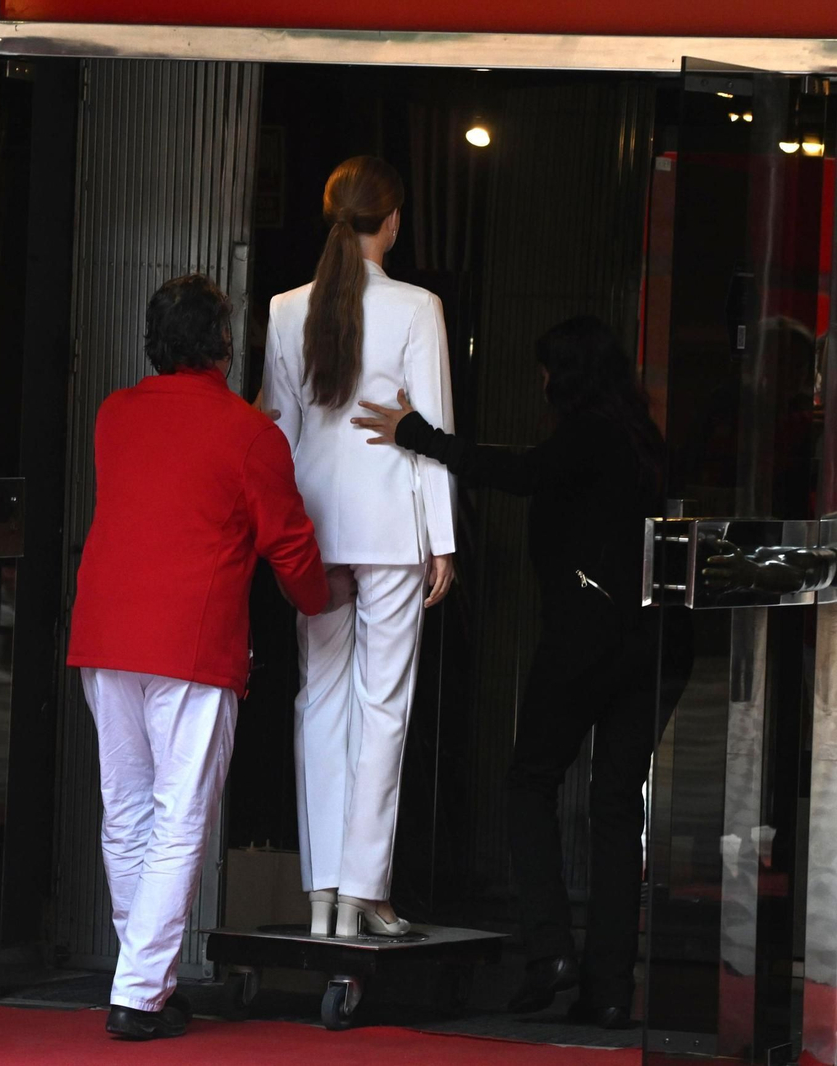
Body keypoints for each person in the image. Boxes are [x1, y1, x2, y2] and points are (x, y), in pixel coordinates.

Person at [353, 315, 684, 1028]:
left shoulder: (587, 436)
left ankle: (549, 952)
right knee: (617, 808)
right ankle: (609, 988)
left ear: (561, 378)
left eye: (543, 372)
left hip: (588, 638)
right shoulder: (640, 440)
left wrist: (419, 435)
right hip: (654, 644)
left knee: (529, 783)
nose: (538, 384)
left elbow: (522, 474)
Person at [67, 273, 339, 1040]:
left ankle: (140, 978)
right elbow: (290, 548)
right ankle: (138, 991)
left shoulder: (114, 414)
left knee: (125, 811)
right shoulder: (250, 433)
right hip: (192, 640)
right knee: (178, 817)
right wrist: (326, 598)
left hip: (106, 631)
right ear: (225, 343)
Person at [261, 156, 456, 939]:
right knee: (383, 706)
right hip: (389, 525)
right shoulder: (417, 306)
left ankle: (320, 896)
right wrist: (443, 539)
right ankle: (364, 892)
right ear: (394, 222)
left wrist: (280, 537)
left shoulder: (284, 308)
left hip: (313, 523)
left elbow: (279, 430)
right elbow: (432, 433)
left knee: (319, 700)